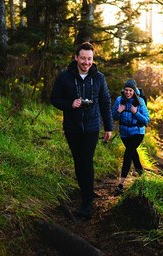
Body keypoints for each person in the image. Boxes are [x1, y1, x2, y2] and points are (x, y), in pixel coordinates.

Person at [50, 42, 113, 218]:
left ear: (93, 59)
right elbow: (54, 99)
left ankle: (87, 203)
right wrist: (70, 104)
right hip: (72, 127)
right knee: (79, 162)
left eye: (90, 58)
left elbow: (105, 102)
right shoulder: (64, 77)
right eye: (83, 58)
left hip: (92, 127)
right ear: (76, 57)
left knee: (87, 160)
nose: (86, 62)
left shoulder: (99, 78)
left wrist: (108, 127)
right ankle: (86, 191)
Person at [112, 79, 150, 194]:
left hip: (137, 132)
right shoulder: (119, 100)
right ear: (124, 90)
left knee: (128, 154)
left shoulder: (140, 102)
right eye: (126, 90)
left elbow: (146, 120)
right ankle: (142, 177)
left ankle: (121, 184)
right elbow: (114, 116)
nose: (128, 93)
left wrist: (135, 112)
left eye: (130, 90)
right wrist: (119, 111)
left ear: (134, 91)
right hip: (124, 133)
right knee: (133, 154)